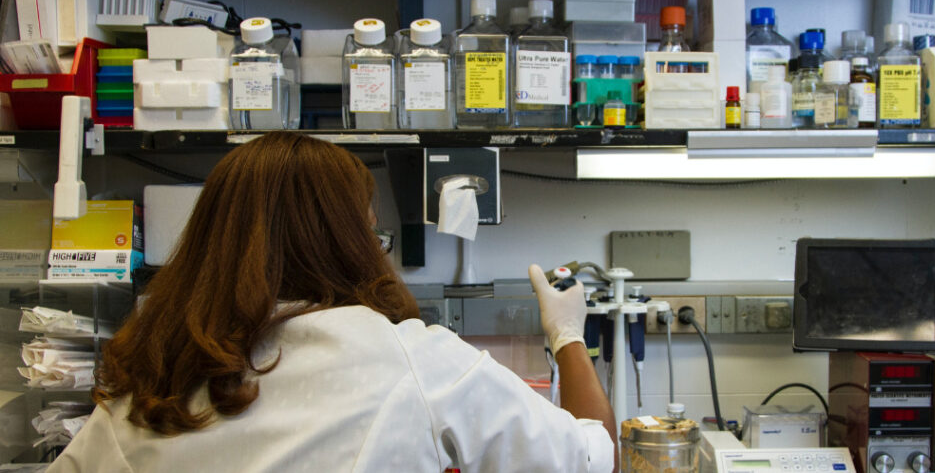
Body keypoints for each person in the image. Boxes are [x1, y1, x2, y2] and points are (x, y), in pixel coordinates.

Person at [49, 132, 616, 472]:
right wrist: (568, 338)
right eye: (371, 235)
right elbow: (594, 457)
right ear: (346, 245)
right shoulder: (409, 359)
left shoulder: (147, 381)